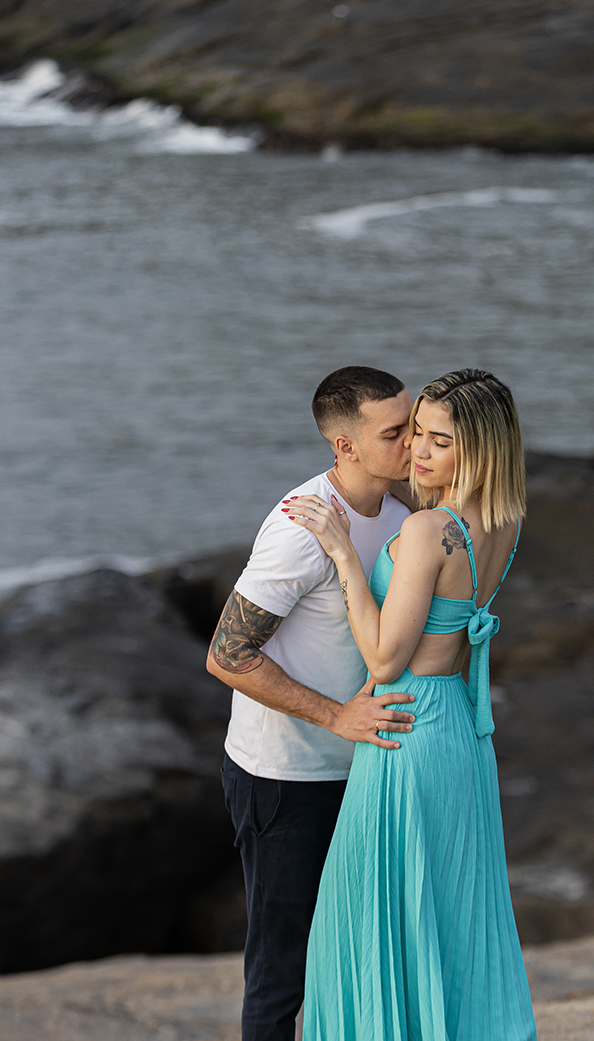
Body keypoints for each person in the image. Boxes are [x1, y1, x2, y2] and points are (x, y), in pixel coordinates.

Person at [287, 368, 537, 1041]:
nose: (417, 452)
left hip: (405, 725)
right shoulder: (505, 520)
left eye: (439, 441)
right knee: (448, 918)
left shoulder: (430, 530)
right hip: (460, 728)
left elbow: (384, 660)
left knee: (369, 918)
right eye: (416, 433)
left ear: (480, 449)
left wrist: (343, 552)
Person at [206, 366, 419, 1041]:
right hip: (285, 779)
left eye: (414, 425)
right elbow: (226, 655)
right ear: (345, 445)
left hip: (363, 769)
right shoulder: (301, 527)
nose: (413, 442)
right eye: (395, 432)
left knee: (355, 957)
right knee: (281, 973)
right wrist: (336, 717)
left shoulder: (400, 516)